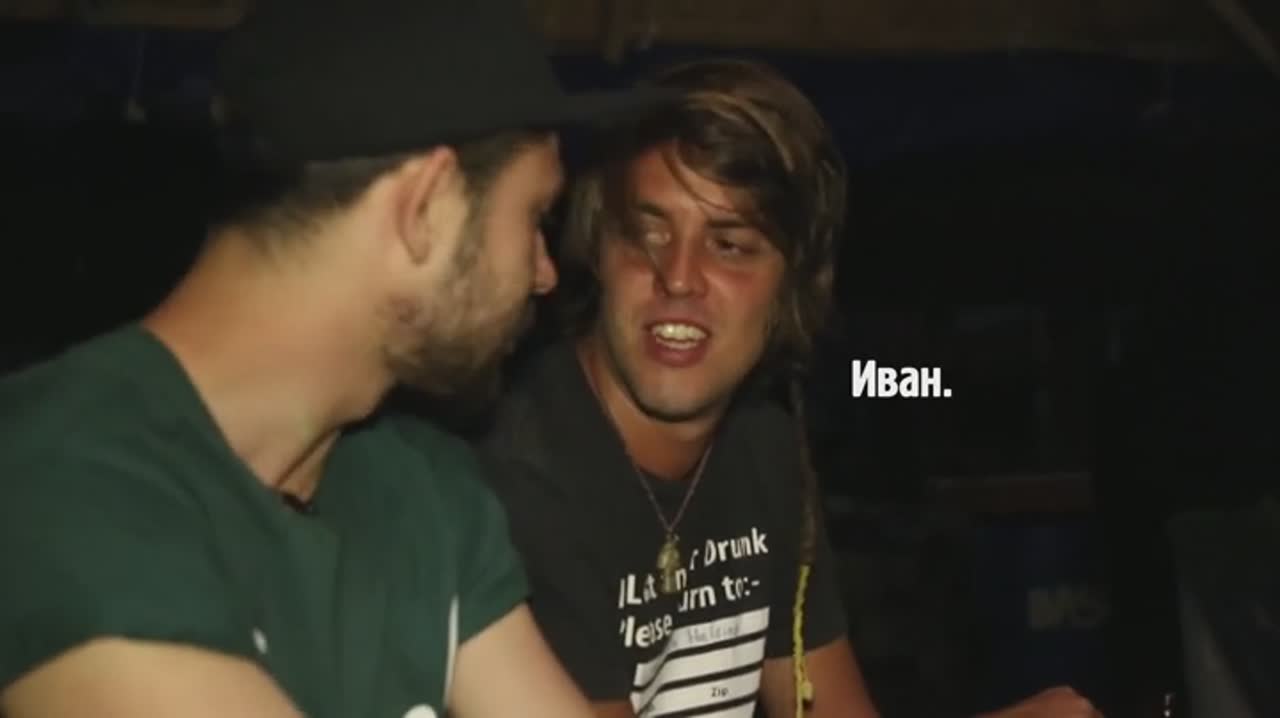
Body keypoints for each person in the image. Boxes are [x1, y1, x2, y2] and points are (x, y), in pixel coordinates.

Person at [0, 0, 668, 716]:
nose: (544, 273)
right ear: (424, 208)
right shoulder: (55, 483)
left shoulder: (419, 489)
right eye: (535, 217)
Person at [478, 59, 1103, 717]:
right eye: (648, 234)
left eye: (729, 245)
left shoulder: (763, 443)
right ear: (597, 248)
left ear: (792, 287)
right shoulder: (521, 471)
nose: (679, 277)